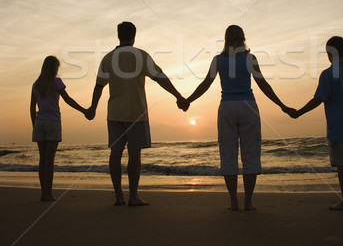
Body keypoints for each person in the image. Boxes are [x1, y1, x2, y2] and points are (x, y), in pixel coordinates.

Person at [178, 25, 295, 211]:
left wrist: (187, 100)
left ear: (225, 40)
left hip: (227, 107)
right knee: (250, 155)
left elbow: (206, 84)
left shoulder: (218, 60)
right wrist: (282, 105)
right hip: (248, 105)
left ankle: (234, 201)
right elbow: (262, 84)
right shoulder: (250, 58)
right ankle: (248, 201)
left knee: (228, 155)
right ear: (243, 38)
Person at [87, 21, 186, 207]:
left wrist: (92, 107)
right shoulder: (140, 55)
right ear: (134, 35)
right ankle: (133, 196)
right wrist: (178, 96)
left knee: (115, 154)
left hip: (114, 113)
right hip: (136, 113)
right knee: (134, 155)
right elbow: (160, 77)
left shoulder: (108, 58)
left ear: (118, 35)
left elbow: (99, 86)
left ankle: (118, 196)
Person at [292, 36, 343, 211]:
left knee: (342, 164)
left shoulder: (328, 74)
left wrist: (298, 113)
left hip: (337, 127)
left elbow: (318, 99)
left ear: (328, 54)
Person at [30, 56, 90, 202]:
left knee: (42, 158)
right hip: (52, 122)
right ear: (55, 68)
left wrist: (34, 125)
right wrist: (84, 111)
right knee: (49, 159)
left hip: (39, 122)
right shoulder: (56, 82)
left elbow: (32, 107)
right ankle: (48, 194)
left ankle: (43, 192)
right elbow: (68, 100)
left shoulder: (36, 84)